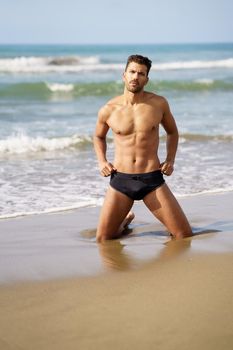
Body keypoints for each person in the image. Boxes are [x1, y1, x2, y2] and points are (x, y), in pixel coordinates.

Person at [93, 54, 192, 243]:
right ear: (124, 75)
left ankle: (124, 222)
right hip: (121, 180)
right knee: (103, 239)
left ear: (147, 79)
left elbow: (172, 133)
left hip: (151, 180)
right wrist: (102, 161)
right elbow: (98, 136)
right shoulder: (109, 109)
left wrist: (170, 159)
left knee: (184, 235)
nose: (135, 77)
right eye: (132, 72)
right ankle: (124, 222)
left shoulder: (158, 104)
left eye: (141, 73)